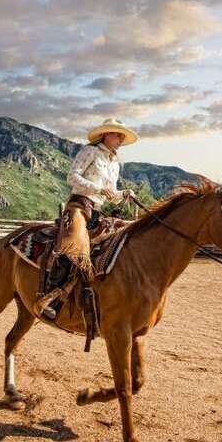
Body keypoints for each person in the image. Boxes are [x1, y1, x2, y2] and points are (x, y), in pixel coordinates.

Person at [41, 118, 138, 320]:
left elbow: (110, 193)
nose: (120, 138)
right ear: (105, 134)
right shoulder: (89, 152)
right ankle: (49, 296)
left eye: (122, 136)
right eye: (117, 134)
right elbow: (72, 177)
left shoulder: (115, 164)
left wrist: (124, 193)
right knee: (73, 244)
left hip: (98, 210)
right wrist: (97, 188)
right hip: (79, 205)